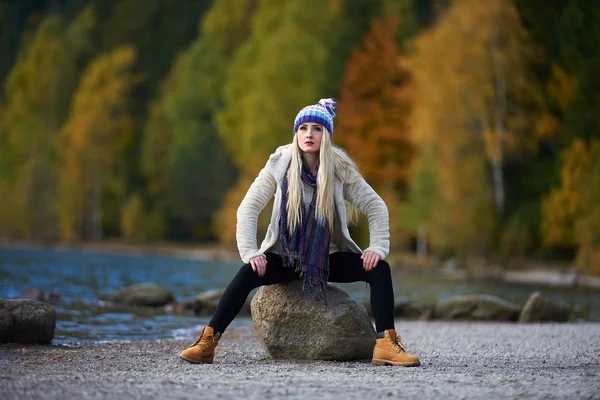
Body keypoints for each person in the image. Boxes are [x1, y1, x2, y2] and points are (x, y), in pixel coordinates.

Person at [178, 98, 420, 367]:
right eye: (303, 128)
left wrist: (377, 248)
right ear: (296, 133)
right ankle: (207, 341)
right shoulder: (279, 163)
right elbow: (248, 208)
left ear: (325, 135)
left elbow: (376, 206)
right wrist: (251, 252)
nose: (309, 134)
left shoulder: (339, 168)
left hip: (326, 261)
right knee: (247, 272)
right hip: (287, 258)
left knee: (380, 269)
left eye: (316, 128)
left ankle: (386, 344)